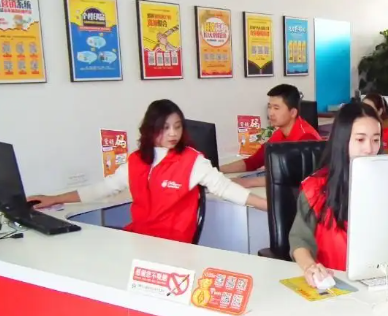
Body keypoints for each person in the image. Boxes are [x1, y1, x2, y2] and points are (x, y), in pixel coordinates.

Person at [29, 100, 267, 244]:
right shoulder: (137, 160)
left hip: (172, 245)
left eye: (177, 127)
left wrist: (270, 206)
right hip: (138, 238)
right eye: (165, 128)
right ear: (150, 129)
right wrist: (55, 199)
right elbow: (103, 189)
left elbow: (226, 189)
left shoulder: (193, 160)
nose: (173, 133)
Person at [290, 102, 382, 285]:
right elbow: (299, 239)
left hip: (382, 281)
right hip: (336, 282)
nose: (370, 149)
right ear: (342, 141)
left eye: (376, 140)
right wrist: (309, 266)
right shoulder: (315, 189)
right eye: (360, 140)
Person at [220, 84, 321, 187]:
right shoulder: (279, 133)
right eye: (269, 107)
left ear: (293, 113)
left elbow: (295, 177)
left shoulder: (306, 137)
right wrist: (218, 169)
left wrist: (248, 182)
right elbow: (253, 162)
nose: (271, 113)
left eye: (276, 108)